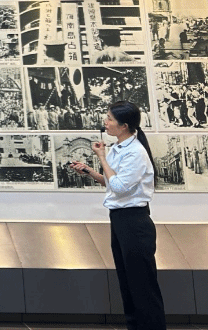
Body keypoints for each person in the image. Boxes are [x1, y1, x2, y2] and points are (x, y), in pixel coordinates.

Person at [69, 101, 166, 330]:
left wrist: (102, 157)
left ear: (124, 126)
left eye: (110, 119)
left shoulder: (136, 152)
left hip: (135, 221)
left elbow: (120, 187)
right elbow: (110, 182)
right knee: (127, 282)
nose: (105, 122)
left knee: (142, 285)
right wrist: (89, 171)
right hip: (120, 219)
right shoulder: (119, 148)